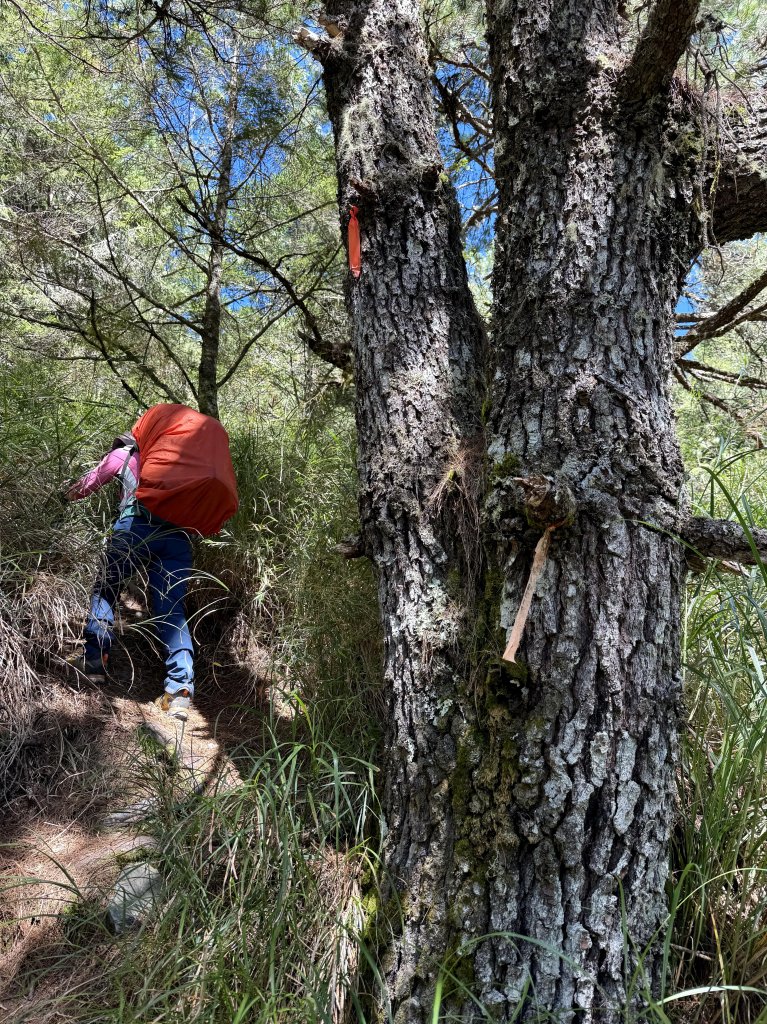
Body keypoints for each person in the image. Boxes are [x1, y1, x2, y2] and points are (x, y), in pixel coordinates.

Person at [66, 431, 195, 719]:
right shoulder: (181, 463)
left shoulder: (123, 454)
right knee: (172, 611)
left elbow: (86, 486)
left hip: (133, 530)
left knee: (107, 589)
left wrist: (65, 496)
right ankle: (180, 691)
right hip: (177, 539)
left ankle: (95, 660)